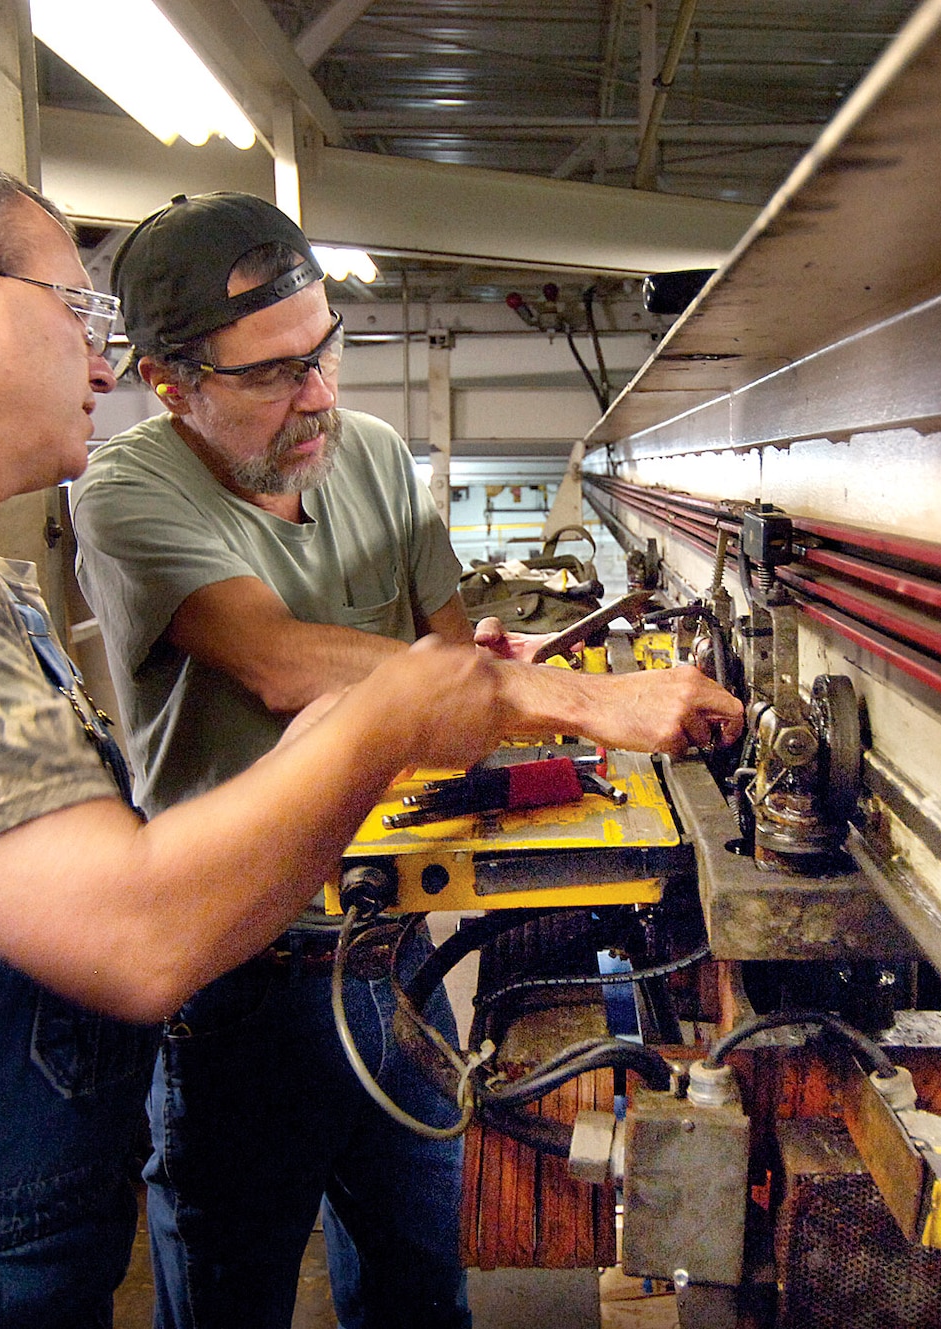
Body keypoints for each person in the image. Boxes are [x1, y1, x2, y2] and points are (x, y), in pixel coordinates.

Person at [0, 143, 627, 1329]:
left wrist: (403, 703)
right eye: (79, 312)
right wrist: (404, 704)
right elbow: (137, 934)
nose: (101, 362)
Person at [67, 192, 742, 1329]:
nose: (319, 395)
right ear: (168, 382)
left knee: (421, 1284)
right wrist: (579, 702)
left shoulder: (370, 456)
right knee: (232, 1293)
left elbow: (440, 663)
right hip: (240, 974)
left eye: (324, 351)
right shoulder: (126, 494)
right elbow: (280, 664)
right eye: (273, 373)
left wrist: (506, 669)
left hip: (390, 950)